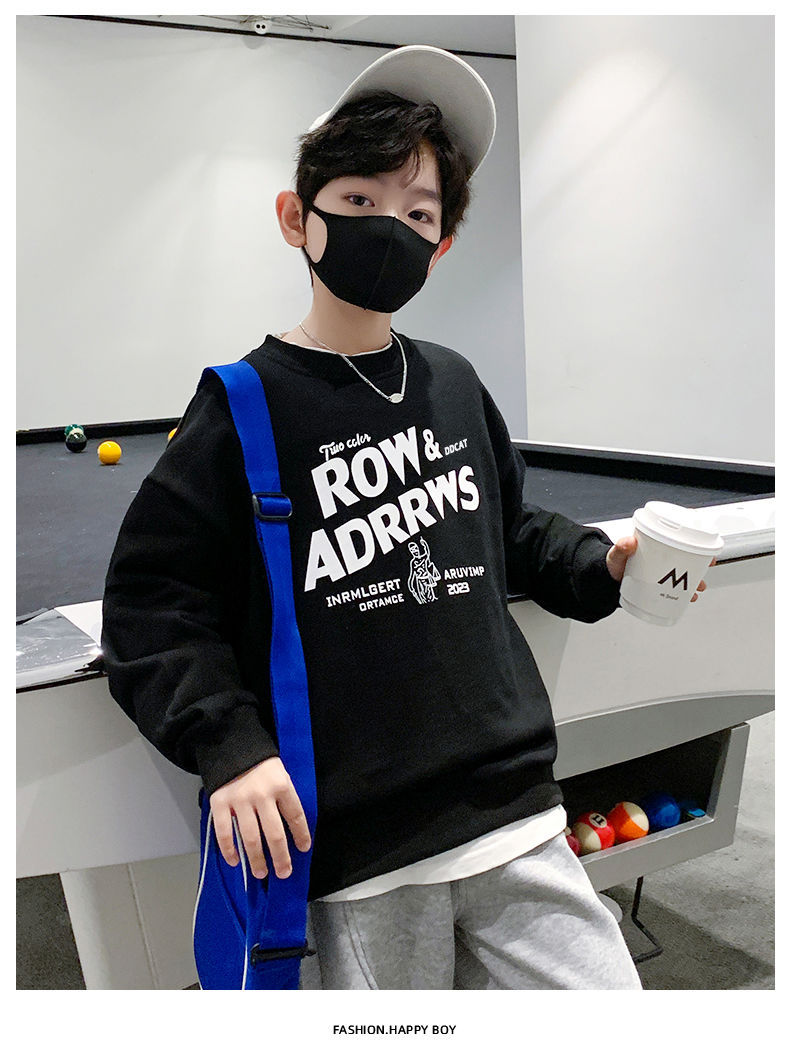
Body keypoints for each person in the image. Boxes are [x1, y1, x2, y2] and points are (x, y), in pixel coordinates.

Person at [102, 45, 706, 990]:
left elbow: (509, 532)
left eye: (419, 213)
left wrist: (603, 564)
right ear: (297, 218)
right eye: (359, 199)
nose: (390, 227)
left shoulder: (452, 381)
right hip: (363, 849)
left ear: (441, 246)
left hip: (515, 811)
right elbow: (151, 604)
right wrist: (231, 748)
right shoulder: (244, 404)